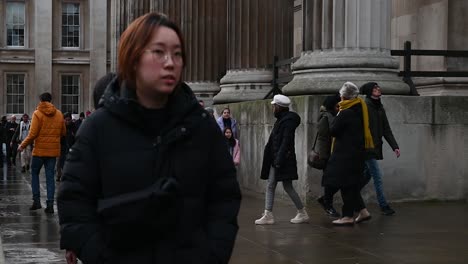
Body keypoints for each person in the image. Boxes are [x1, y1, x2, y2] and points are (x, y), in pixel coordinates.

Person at [57, 12, 241, 264]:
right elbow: (73, 200)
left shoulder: (202, 126)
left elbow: (225, 198)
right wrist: (99, 254)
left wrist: (211, 254)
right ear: (132, 59)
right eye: (159, 52)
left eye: (177, 53)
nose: (170, 62)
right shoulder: (98, 128)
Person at [323, 82, 373, 225]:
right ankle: (363, 212)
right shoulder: (359, 108)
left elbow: (333, 130)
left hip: (345, 155)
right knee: (351, 185)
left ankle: (347, 216)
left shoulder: (346, 112)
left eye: (340, 95)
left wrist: (336, 115)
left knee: (345, 185)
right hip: (355, 154)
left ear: (344, 96)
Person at [255, 94, 309, 225]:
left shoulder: (287, 122)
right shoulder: (281, 120)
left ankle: (302, 212)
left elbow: (286, 141)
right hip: (277, 158)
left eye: (274, 106)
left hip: (283, 159)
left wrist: (279, 159)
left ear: (279, 107)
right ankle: (268, 214)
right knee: (271, 185)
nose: (272, 108)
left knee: (287, 186)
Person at [18, 92, 66, 213]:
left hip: (39, 151)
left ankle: (37, 201)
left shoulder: (37, 113)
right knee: (50, 177)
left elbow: (33, 134)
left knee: (34, 174)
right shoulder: (59, 114)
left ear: (41, 100)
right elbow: (63, 133)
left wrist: (22, 145)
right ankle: (50, 205)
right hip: (52, 152)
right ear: (51, 100)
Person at [360, 82, 400, 216]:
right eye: (375, 88)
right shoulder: (364, 106)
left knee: (367, 175)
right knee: (377, 176)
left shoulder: (379, 107)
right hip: (367, 148)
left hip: (376, 147)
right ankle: (383, 206)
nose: (378, 89)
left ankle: (350, 195)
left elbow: (386, 129)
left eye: (378, 87)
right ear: (369, 92)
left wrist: (395, 146)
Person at [315, 94, 341, 217]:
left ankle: (325, 200)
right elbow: (323, 138)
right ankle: (328, 204)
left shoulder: (334, 116)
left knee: (336, 181)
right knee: (330, 182)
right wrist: (324, 157)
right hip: (328, 155)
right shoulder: (326, 117)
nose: (339, 107)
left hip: (335, 154)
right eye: (337, 105)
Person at [56, 112, 76, 182]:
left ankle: (66, 175)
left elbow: (76, 137)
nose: (67, 121)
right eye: (66, 120)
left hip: (71, 147)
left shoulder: (73, 126)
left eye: (69, 120)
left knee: (68, 163)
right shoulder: (61, 126)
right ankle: (59, 175)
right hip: (61, 146)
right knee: (59, 162)